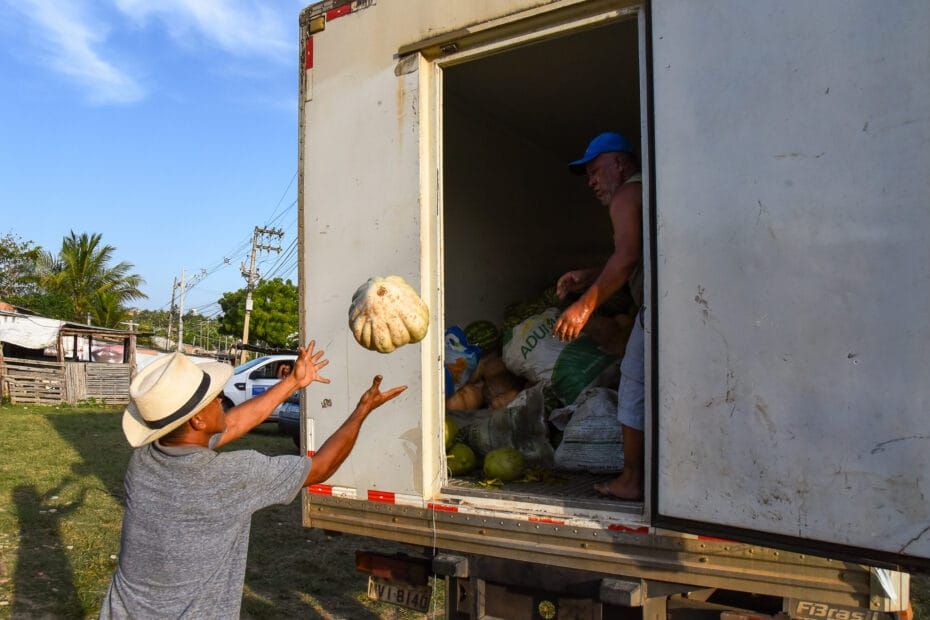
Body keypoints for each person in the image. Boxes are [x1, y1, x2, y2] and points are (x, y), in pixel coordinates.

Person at [99, 342, 405, 618]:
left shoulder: (143, 461)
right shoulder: (232, 476)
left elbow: (232, 424)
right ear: (197, 421)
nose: (221, 398)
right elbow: (320, 468)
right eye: (213, 398)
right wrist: (362, 410)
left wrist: (293, 382)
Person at [552, 131, 645, 500]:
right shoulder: (647, 190)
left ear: (619, 163)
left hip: (657, 309)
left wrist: (584, 306)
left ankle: (631, 480)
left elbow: (626, 259)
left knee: (634, 387)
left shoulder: (626, 195)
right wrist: (590, 276)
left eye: (595, 170)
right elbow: (635, 253)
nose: (591, 181)